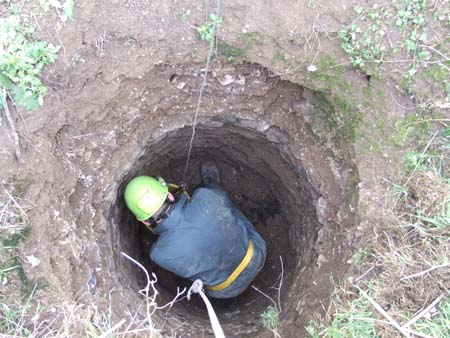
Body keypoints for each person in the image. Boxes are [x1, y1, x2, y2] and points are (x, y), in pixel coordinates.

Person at [124, 162, 266, 299]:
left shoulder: (159, 254)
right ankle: (213, 185)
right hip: (257, 255)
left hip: (226, 291)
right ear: (170, 195)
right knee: (225, 207)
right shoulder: (205, 198)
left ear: (145, 221)